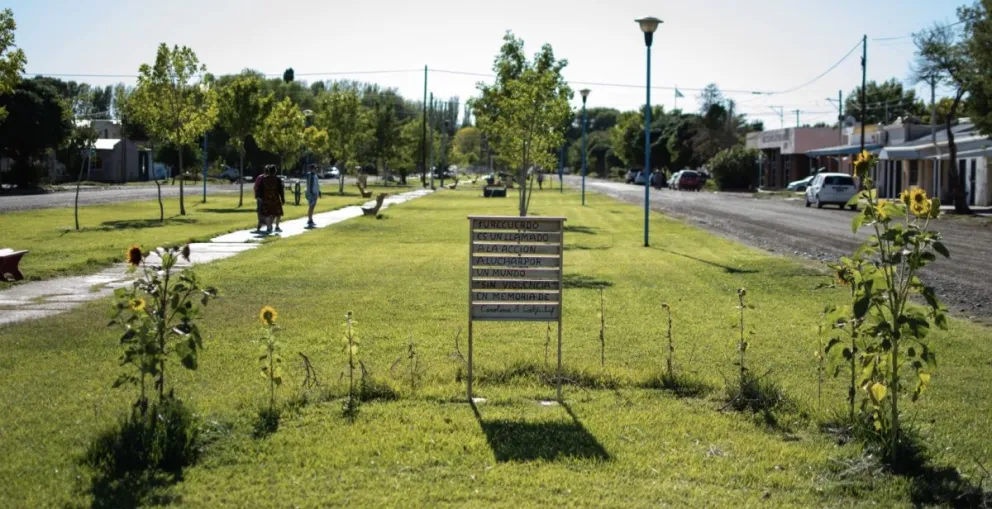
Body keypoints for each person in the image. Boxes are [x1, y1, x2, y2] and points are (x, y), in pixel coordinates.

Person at [259, 165, 285, 233]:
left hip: (266, 199)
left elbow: (260, 190)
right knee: (278, 213)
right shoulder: (278, 180)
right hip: (275, 199)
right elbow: (281, 191)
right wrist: (282, 199)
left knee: (267, 213)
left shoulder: (263, 179)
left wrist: (261, 198)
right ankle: (277, 226)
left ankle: (269, 227)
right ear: (275, 171)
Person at [305, 164, 322, 228]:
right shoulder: (311, 175)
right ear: (312, 169)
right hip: (312, 193)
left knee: (312, 207)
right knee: (311, 207)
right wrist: (312, 192)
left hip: (314, 193)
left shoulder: (314, 175)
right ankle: (310, 219)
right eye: (315, 168)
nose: (316, 169)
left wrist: (319, 191)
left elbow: (316, 184)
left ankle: (310, 219)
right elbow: (311, 184)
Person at [253, 168, 267, 233]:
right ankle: (266, 224)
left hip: (259, 196)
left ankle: (260, 223)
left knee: (259, 210)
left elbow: (255, 187)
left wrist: (255, 194)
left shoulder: (259, 177)